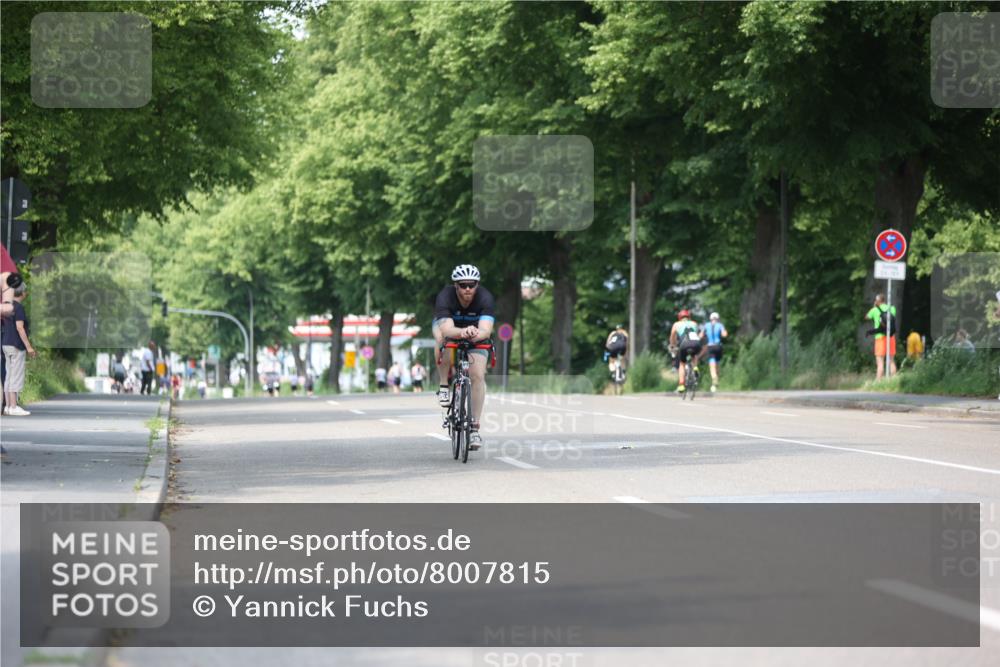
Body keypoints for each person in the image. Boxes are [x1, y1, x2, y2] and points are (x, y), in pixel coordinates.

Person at [432, 264, 494, 450]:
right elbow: (447, 329)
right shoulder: (445, 296)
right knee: (443, 340)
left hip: (475, 331)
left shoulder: (485, 298)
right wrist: (462, 332)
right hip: (450, 327)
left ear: (477, 285)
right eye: (463, 285)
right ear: (455, 285)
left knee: (477, 376)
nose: (468, 289)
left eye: (472, 285)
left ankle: (474, 428)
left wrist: (474, 333)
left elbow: (486, 331)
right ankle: (444, 383)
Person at [2, 280, 35, 416]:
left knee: (9, 375)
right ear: (22, 293)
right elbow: (20, 328)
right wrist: (29, 347)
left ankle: (8, 406)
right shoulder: (19, 308)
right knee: (15, 376)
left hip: (5, 343)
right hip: (16, 345)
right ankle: (14, 406)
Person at [669, 309, 702, 394]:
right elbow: (697, 334)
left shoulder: (676, 324)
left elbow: (672, 337)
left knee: (682, 364)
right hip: (696, 342)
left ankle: (681, 385)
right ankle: (695, 367)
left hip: (684, 344)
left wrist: (673, 345)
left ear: (679, 317)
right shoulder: (694, 323)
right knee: (694, 355)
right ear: (689, 317)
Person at [865, 293, 897, 379]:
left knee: (880, 362)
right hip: (891, 337)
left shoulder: (875, 309)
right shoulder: (892, 308)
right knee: (891, 361)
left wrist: (874, 306)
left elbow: (867, 317)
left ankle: (878, 382)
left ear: (877, 301)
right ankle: (894, 381)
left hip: (880, 337)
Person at [700, 312, 728, 393]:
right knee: (717, 364)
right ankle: (716, 380)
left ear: (710, 318)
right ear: (718, 318)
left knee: (712, 366)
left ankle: (714, 381)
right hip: (718, 346)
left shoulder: (706, 325)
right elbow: (724, 334)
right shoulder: (720, 325)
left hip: (710, 347)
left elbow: (701, 335)